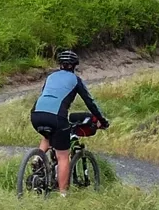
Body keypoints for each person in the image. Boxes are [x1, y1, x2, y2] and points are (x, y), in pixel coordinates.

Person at [30, 49, 108, 193]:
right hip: (57, 117)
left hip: (36, 114)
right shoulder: (75, 80)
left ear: (60, 64)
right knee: (63, 156)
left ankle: (37, 158)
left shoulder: (51, 77)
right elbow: (90, 102)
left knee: (48, 135)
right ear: (74, 65)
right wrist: (102, 121)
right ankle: (63, 195)